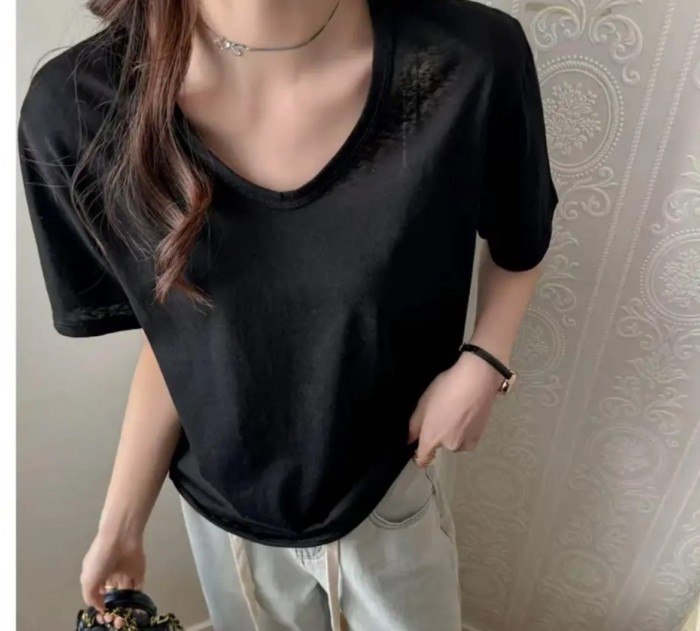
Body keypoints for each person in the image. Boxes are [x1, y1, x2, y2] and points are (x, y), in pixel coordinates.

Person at [18, 0, 558, 628]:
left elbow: (521, 237)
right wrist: (121, 523)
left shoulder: (467, 59)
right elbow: (181, 341)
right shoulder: (80, 109)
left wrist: (485, 362)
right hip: (224, 518)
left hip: (393, 485)